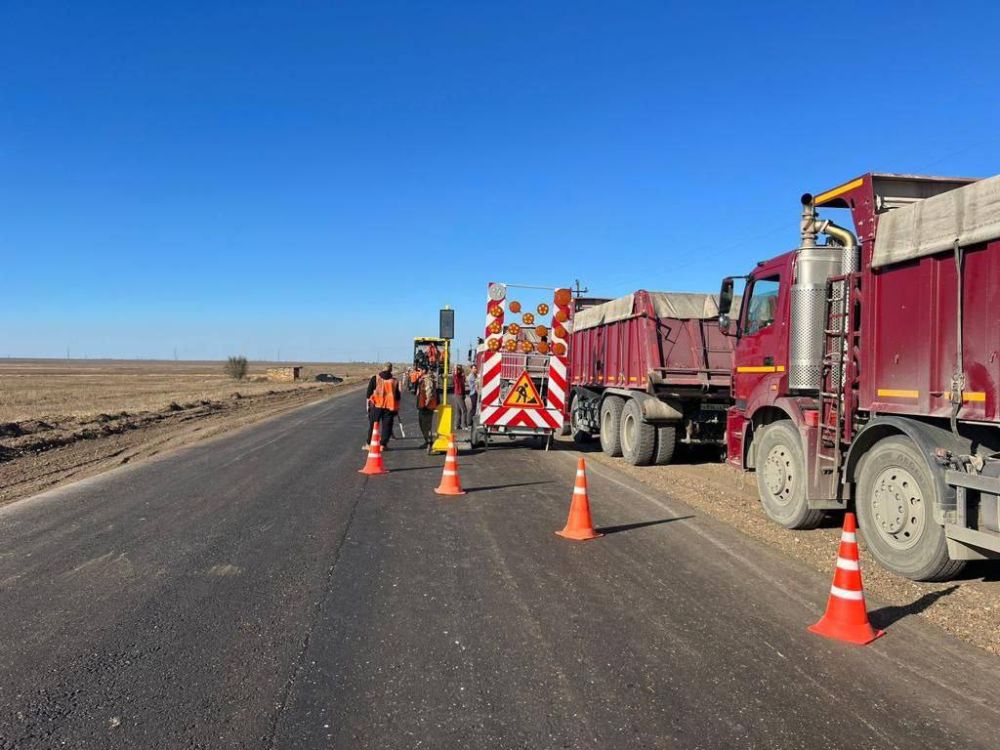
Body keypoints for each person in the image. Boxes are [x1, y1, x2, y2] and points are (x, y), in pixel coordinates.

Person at [365, 362, 401, 450]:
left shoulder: (375, 378)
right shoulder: (394, 381)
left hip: (376, 405)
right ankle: (383, 445)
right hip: (389, 407)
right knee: (387, 426)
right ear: (391, 369)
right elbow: (397, 397)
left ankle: (369, 444)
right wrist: (397, 408)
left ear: (383, 368)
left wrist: (368, 406)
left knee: (373, 425)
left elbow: (369, 393)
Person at [416, 366, 439, 453]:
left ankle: (429, 443)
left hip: (427, 407)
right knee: (422, 425)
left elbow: (429, 392)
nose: (418, 372)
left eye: (419, 370)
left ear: (424, 371)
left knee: (426, 426)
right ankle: (427, 442)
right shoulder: (423, 379)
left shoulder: (428, 380)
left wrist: (426, 404)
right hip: (423, 406)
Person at [451, 364, 467, 432]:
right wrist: (455, 367)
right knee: (464, 410)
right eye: (458, 369)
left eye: (460, 369)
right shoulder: (456, 376)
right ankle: (464, 425)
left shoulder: (461, 377)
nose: (459, 370)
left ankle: (457, 425)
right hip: (458, 394)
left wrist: (463, 373)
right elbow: (455, 373)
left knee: (458, 410)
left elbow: (463, 383)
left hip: (461, 394)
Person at [465, 364, 479, 428]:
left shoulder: (475, 375)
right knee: (473, 408)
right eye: (474, 368)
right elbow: (476, 384)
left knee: (474, 408)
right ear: (471, 369)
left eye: (476, 368)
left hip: (474, 393)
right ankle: (469, 423)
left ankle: (471, 422)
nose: (475, 369)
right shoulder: (471, 376)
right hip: (473, 393)